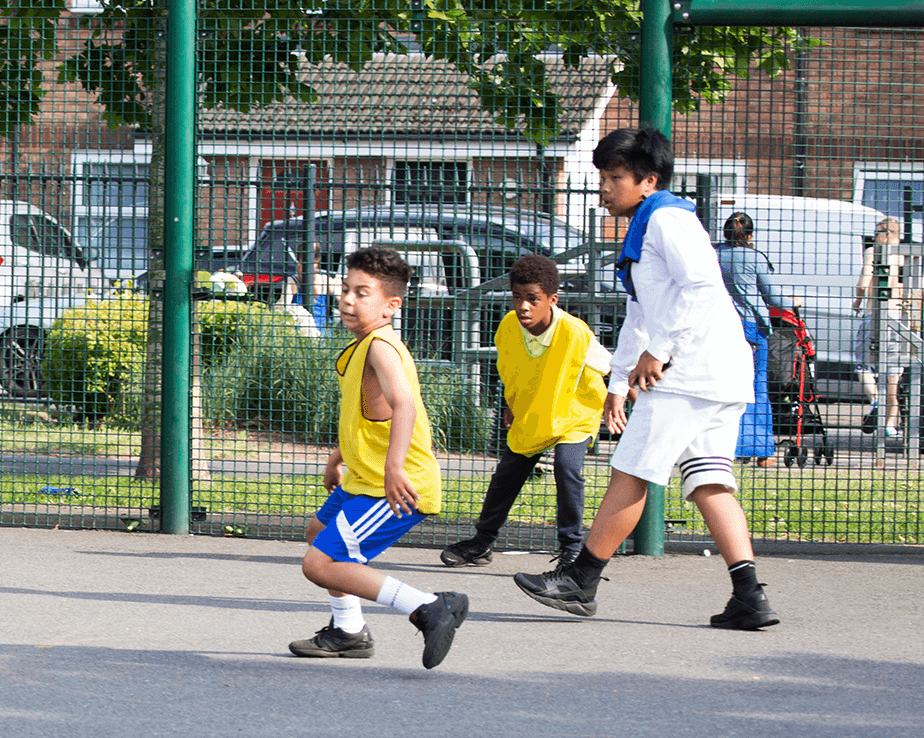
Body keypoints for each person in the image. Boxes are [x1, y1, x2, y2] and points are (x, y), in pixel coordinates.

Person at [513, 126, 779, 631]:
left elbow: (700, 287)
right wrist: (618, 382)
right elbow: (641, 314)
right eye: (602, 177)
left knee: (632, 470)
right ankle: (750, 597)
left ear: (648, 180)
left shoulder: (667, 220)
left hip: (690, 373)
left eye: (615, 177)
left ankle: (580, 580)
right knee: (709, 484)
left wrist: (660, 352)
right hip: (716, 373)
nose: (605, 188)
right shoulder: (648, 222)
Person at [286, 246, 469, 670]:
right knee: (319, 531)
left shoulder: (381, 347)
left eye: (362, 292)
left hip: (395, 488)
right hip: (362, 480)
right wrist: (338, 457)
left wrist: (393, 470)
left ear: (391, 305)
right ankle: (349, 631)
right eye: (346, 290)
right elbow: (371, 415)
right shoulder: (362, 346)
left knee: (320, 564)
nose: (348, 300)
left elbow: (403, 404)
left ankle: (428, 606)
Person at [440, 253, 608, 569]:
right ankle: (481, 543)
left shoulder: (575, 332)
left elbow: (611, 368)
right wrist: (509, 404)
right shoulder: (507, 328)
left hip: (575, 413)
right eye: (518, 297)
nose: (523, 306)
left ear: (551, 300)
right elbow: (512, 370)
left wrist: (622, 400)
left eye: (533, 299)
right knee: (506, 476)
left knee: (566, 469)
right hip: (534, 412)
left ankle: (571, 550)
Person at [715, 211, 784, 463]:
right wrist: (795, 301)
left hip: (719, 328)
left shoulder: (713, 256)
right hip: (750, 329)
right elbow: (774, 298)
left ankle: (723, 447)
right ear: (750, 235)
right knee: (756, 386)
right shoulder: (755, 258)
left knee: (722, 388)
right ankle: (760, 450)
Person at [853, 216, 921, 439]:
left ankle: (875, 400)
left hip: (875, 313)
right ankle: (890, 425)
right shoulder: (906, 256)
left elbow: (864, 282)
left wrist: (857, 301)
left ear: (882, 234)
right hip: (899, 317)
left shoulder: (873, 252)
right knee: (893, 374)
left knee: (862, 364)